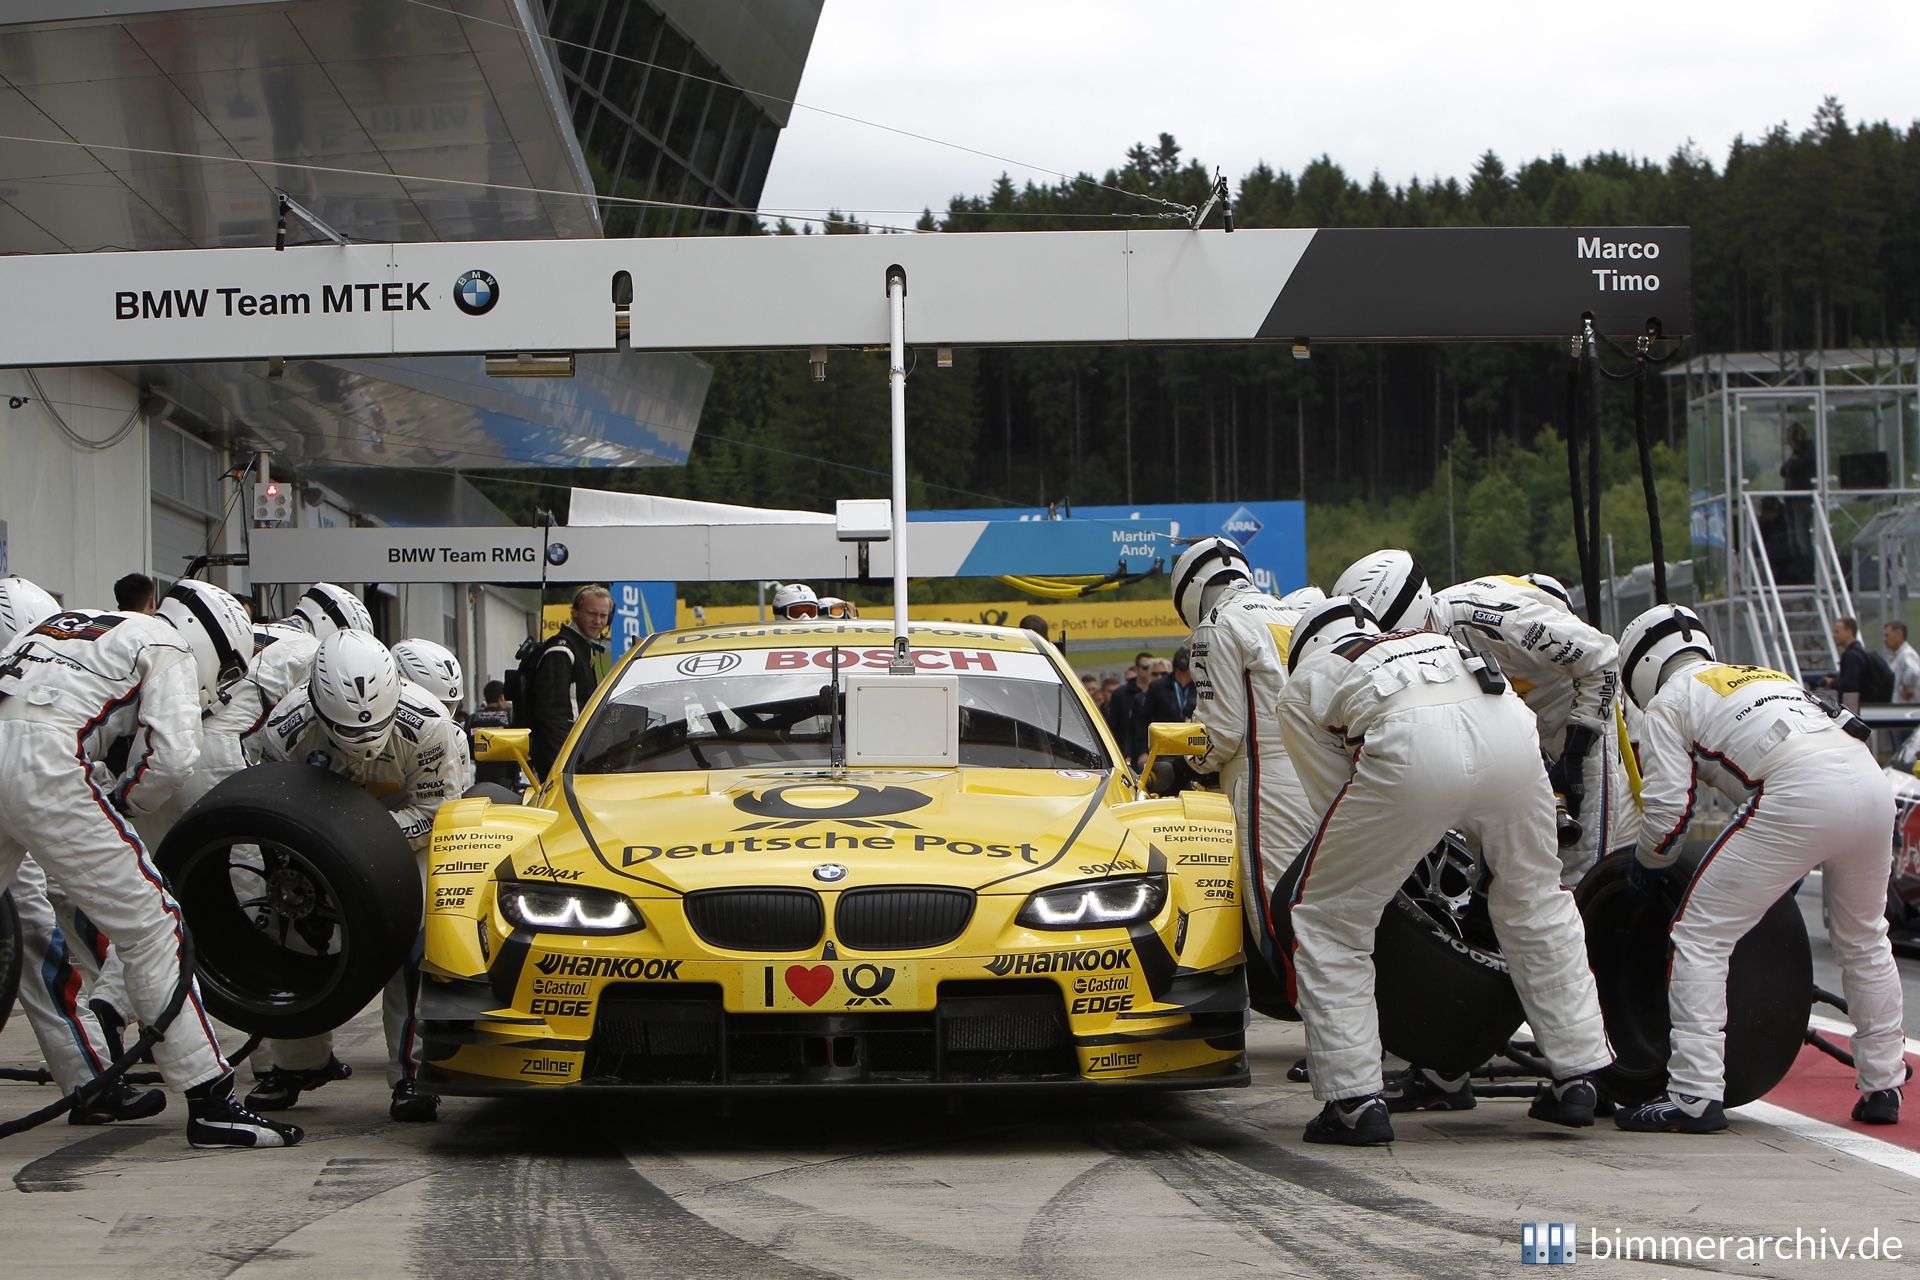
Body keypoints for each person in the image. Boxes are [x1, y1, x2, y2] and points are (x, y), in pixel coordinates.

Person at [1275, 596, 1612, 1146]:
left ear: (1307, 644)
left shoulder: (1307, 682)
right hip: (1510, 735)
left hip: (1409, 745)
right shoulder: (1435, 642)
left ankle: (1354, 1101)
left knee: (1330, 918)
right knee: (1535, 900)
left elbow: (1334, 801)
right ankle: (1578, 1075)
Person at [0, 579, 303, 1148]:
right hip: (44, 762)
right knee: (154, 924)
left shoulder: (74, 624)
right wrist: (122, 807)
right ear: (213, 640)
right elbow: (171, 757)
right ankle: (212, 1100)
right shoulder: (171, 648)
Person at [1613, 604, 1905, 1132]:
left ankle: (1694, 1094)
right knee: (1865, 938)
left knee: (1699, 936)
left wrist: (1649, 863)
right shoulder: (1765, 673)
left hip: (1795, 792)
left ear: (1641, 666)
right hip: (1870, 784)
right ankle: (1883, 1083)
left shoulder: (1667, 704)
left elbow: (1667, 813)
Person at [259, 631, 472, 1122]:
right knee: (289, 935)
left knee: (415, 946)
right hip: (315, 835)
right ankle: (296, 1064)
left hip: (406, 836)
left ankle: (411, 1074)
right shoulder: (285, 730)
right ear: (317, 707)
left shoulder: (431, 727)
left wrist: (363, 836)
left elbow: (439, 809)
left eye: (372, 730)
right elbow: (266, 807)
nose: (362, 744)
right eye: (347, 732)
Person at [1344, 552, 1631, 888]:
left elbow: (1603, 659)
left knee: (1578, 863)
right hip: (1516, 726)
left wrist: (1576, 753)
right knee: (1502, 864)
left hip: (1578, 716)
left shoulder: (1489, 618)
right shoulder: (1422, 645)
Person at [1174, 537, 1323, 1002]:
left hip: (1264, 779)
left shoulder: (1217, 625)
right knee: (1323, 907)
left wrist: (1188, 758)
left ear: (1192, 587)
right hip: (1320, 773)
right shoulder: (1290, 611)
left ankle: (1328, 1033)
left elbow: (1219, 734)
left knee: (1280, 916)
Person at [528, 585, 611, 777]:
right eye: (591, 614)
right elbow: (553, 714)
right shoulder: (561, 652)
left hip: (576, 755)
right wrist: (569, 764)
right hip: (563, 760)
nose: (598, 621)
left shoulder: (581, 648)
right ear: (574, 613)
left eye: (603, 615)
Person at [469, 679, 520, 790]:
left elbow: (469, 750)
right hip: (507, 782)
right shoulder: (510, 717)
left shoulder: (472, 719)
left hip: (481, 780)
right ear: (502, 697)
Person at [1822, 616, 1871, 713]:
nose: (1834, 635)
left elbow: (1850, 685)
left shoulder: (1852, 656)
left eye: (1837, 632)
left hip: (1855, 709)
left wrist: (1831, 683)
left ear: (1849, 632)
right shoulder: (1858, 652)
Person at [1144, 648, 1198, 725]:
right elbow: (1145, 718)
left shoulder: (1200, 687)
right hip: (1165, 734)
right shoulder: (1157, 687)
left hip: (1193, 734)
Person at [1885, 621, 1920, 703]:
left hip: (1904, 709)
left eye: (1887, 635)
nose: (1884, 639)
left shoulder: (1907, 654)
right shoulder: (1898, 656)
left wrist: (1907, 686)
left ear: (1898, 635)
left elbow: (1913, 671)